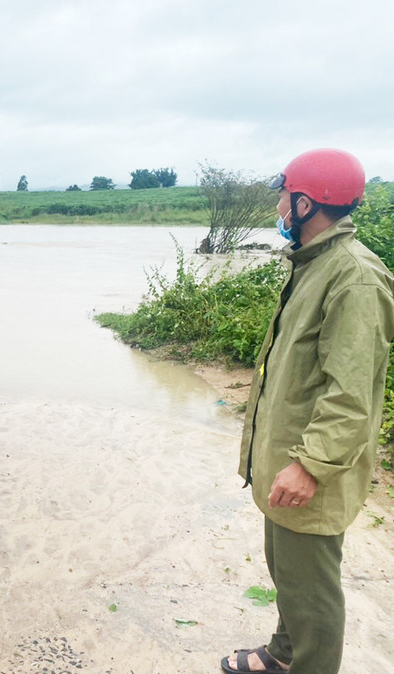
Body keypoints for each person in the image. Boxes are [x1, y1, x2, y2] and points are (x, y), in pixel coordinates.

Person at [222, 149, 394, 673]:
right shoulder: (313, 264)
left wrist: (310, 466)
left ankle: (309, 662)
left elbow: (351, 396)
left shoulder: (354, 277)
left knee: (313, 594)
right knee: (289, 573)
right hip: (286, 460)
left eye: (281, 195)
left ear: (303, 203)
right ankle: (283, 654)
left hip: (309, 468)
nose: (276, 205)